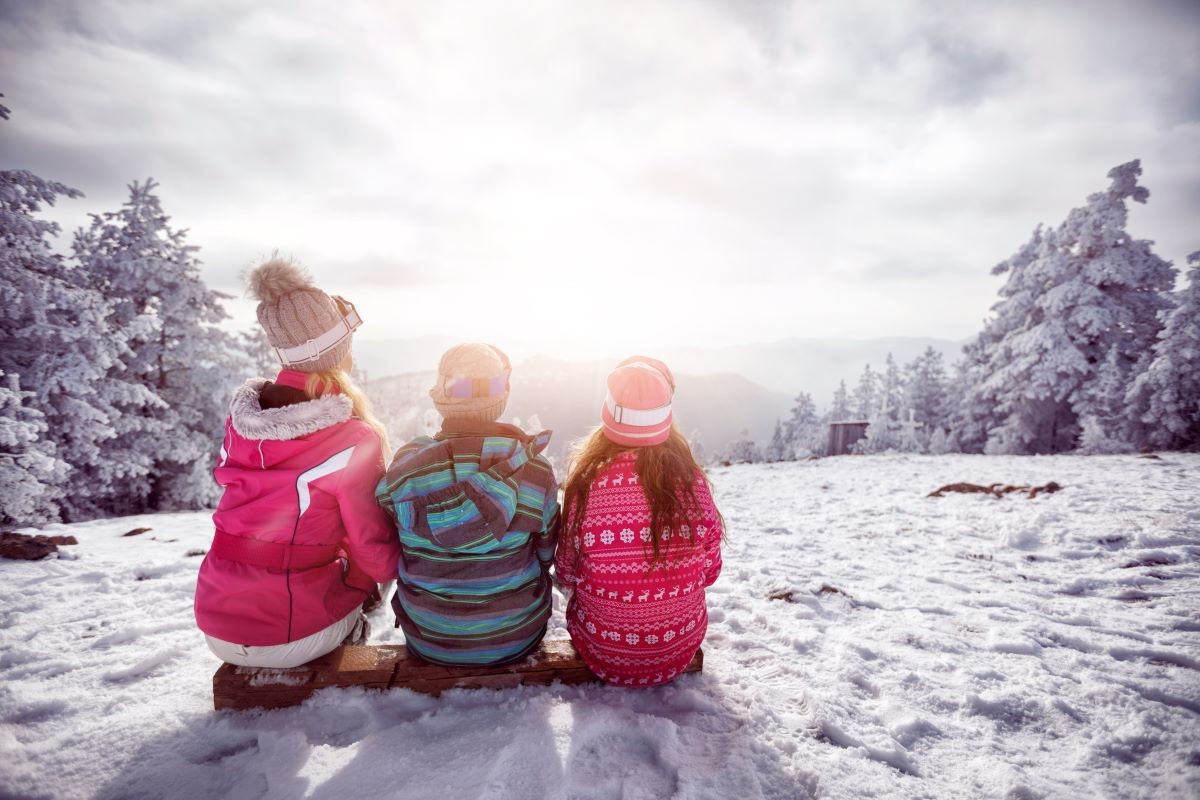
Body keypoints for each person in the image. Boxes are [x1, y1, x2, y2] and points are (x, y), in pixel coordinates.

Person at [194, 257, 400, 668]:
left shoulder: (243, 426)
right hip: (288, 634)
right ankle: (347, 629)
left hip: (216, 625)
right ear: (338, 350)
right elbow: (372, 549)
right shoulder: (353, 437)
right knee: (362, 570)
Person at [376, 343, 558, 666]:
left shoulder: (408, 464)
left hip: (428, 638)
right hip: (516, 636)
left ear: (441, 397)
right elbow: (546, 553)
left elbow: (394, 534)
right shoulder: (535, 470)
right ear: (500, 400)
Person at [555, 356, 724, 687]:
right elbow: (710, 572)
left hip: (602, 650)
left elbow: (566, 573)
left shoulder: (586, 485)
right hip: (678, 649)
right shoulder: (693, 485)